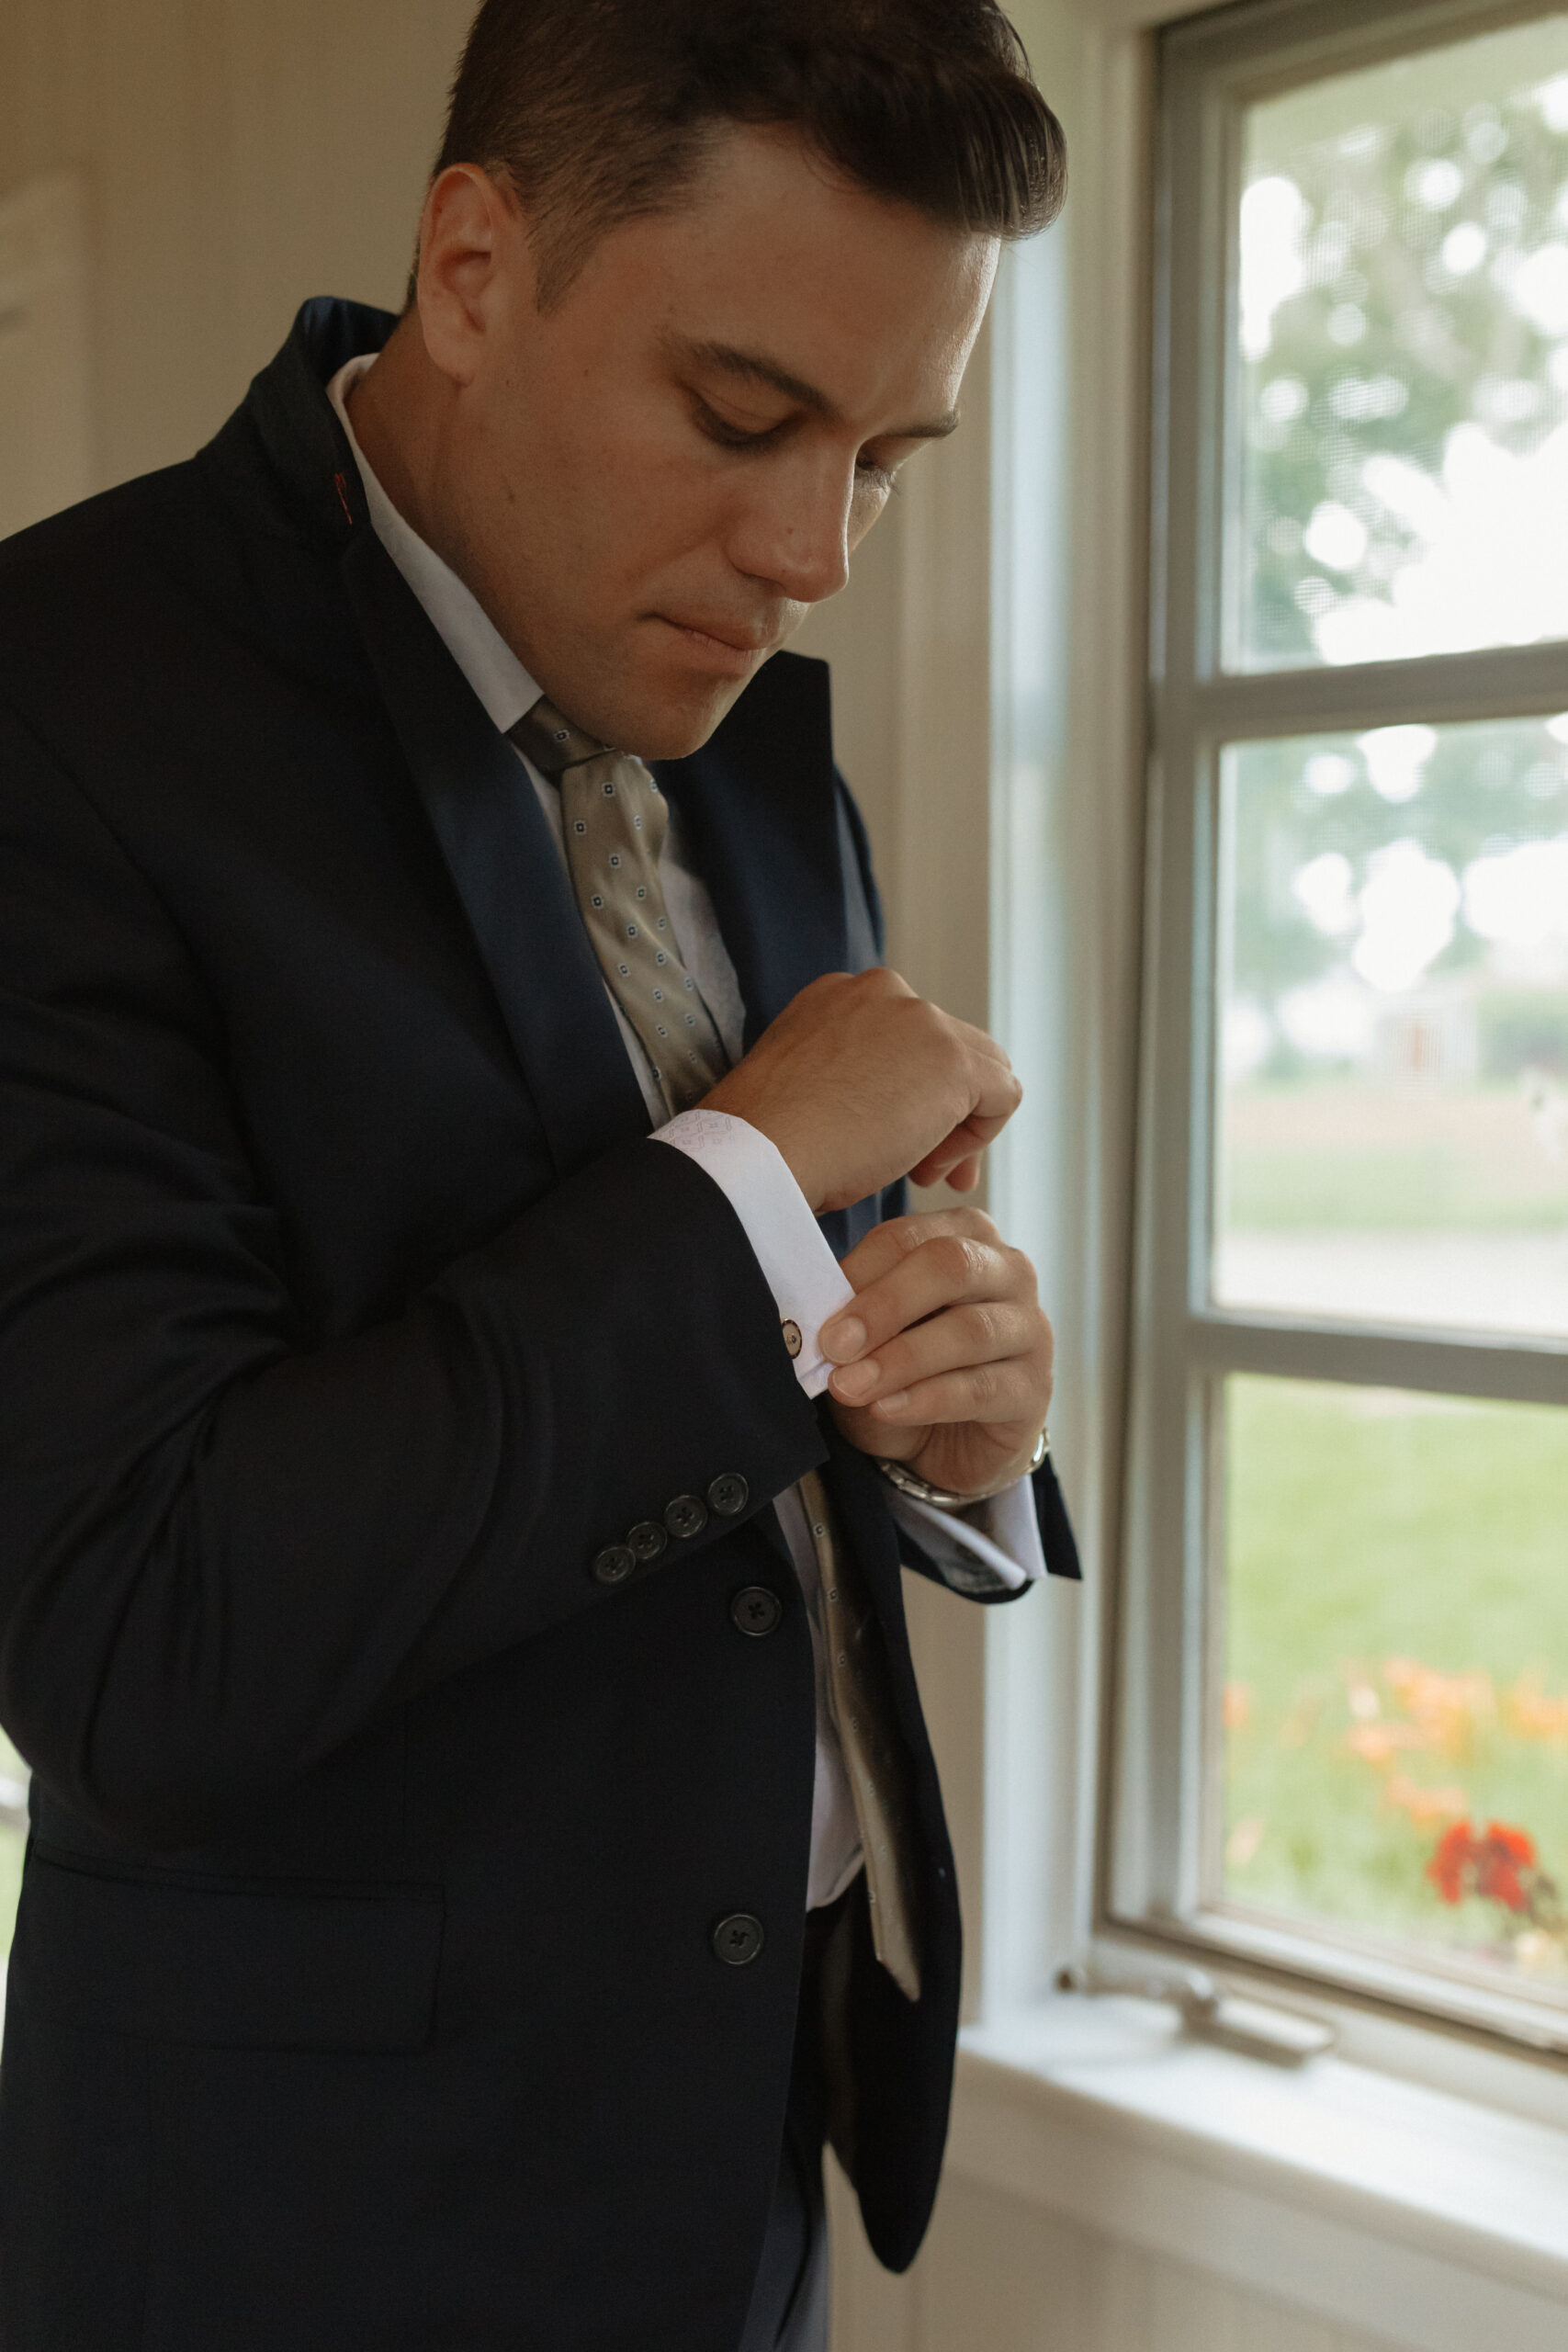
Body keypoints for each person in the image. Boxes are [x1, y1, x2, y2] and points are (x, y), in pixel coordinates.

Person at [0, 3, 1072, 2345]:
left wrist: (951, 1425)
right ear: (471, 267)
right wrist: (756, 1163)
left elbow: (746, 1373)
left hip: (740, 2175)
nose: (812, 555)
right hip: (302, 2232)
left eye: (887, 454)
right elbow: (137, 1639)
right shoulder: (50, 706)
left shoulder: (758, 742)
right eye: (744, 413)